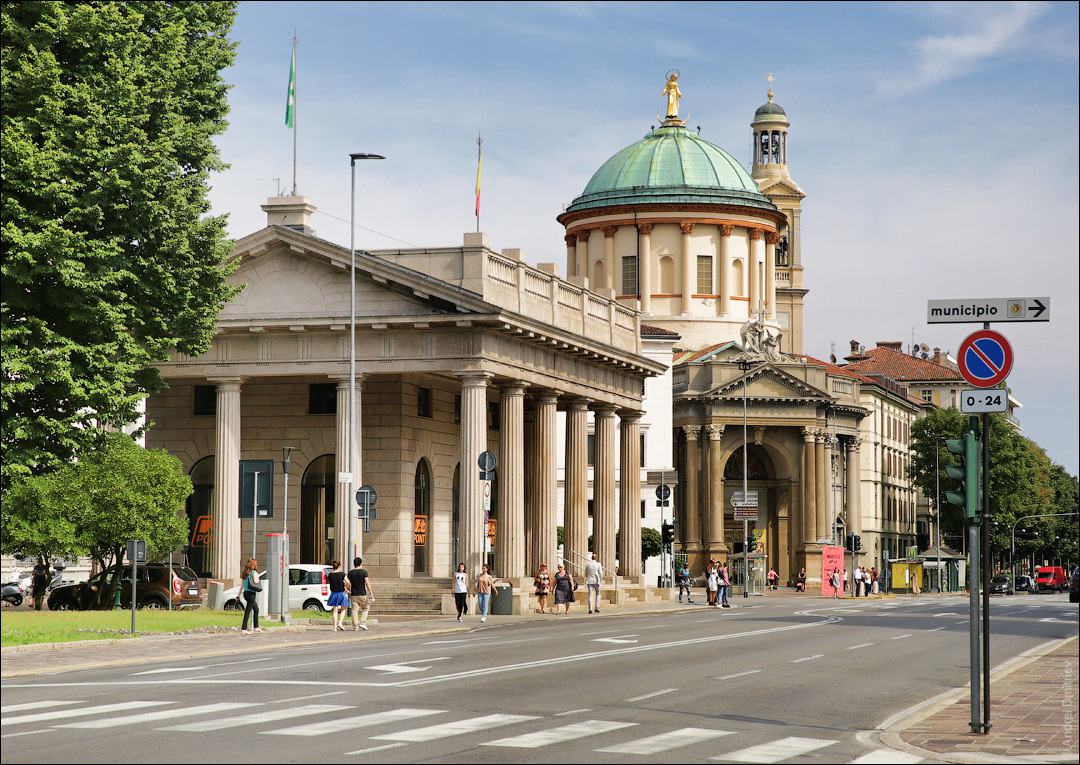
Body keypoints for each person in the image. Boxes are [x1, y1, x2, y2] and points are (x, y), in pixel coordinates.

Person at [347, 557, 374, 631]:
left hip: (354, 594)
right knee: (366, 608)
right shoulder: (364, 572)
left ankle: (355, 626)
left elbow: (347, 582)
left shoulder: (350, 573)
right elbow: (367, 583)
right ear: (361, 563)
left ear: (354, 564)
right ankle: (362, 622)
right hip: (362, 593)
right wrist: (371, 593)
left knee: (354, 610)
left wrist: (349, 591)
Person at [240, 558, 262, 634]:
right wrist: (258, 577)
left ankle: (256, 627)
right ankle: (244, 628)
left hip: (245, 593)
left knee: (256, 609)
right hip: (251, 593)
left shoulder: (245, 573)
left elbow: (242, 585)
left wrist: (238, 595)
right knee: (248, 611)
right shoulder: (254, 572)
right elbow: (256, 581)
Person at [326, 559, 349, 631]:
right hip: (341, 593)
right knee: (344, 608)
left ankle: (335, 627)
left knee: (335, 610)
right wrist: (346, 586)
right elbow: (347, 581)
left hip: (333, 593)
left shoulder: (330, 575)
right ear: (339, 566)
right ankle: (340, 623)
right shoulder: (342, 574)